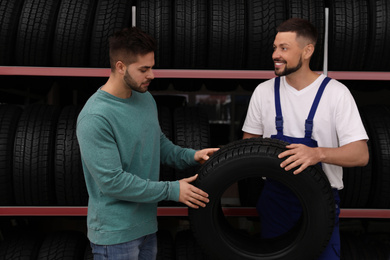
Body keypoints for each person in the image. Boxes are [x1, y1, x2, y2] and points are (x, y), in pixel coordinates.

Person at [76, 27, 218, 260]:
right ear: (120, 67)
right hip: (115, 236)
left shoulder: (144, 98)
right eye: (144, 69)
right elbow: (113, 183)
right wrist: (172, 190)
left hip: (146, 227)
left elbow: (157, 143)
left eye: (152, 67)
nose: (152, 75)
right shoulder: (95, 117)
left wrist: (192, 155)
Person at [242, 18, 369, 259]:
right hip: (276, 202)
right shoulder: (263, 92)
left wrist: (317, 153)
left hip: (319, 203)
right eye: (275, 47)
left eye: (284, 48)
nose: (275, 54)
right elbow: (245, 150)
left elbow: (361, 154)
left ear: (308, 51)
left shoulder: (336, 94)